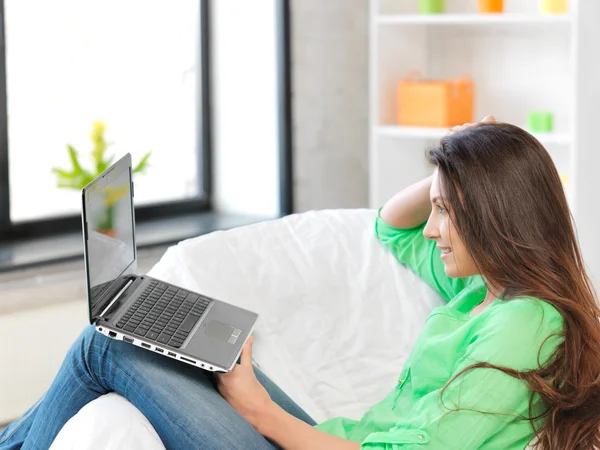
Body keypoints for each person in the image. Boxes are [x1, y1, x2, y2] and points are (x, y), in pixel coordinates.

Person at [2, 116, 600, 450]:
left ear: (496, 218)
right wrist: (460, 154)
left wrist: (260, 414)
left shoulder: (527, 320)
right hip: (321, 440)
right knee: (145, 327)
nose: (434, 228)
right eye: (438, 207)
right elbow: (392, 227)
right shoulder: (482, 288)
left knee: (104, 344)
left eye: (448, 212)